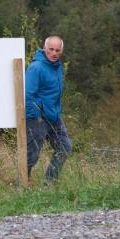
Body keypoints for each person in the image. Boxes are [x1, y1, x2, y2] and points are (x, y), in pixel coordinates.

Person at [24, 34, 71, 185]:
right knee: (31, 155)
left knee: (64, 147)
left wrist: (55, 111)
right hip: (38, 118)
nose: (54, 53)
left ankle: (49, 184)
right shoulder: (36, 68)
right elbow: (28, 95)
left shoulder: (58, 67)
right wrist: (36, 116)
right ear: (44, 48)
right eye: (51, 49)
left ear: (61, 51)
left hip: (54, 116)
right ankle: (22, 184)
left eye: (57, 50)